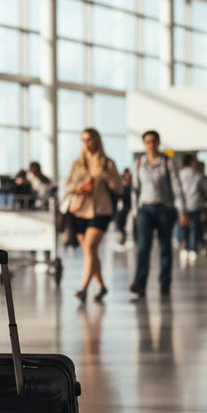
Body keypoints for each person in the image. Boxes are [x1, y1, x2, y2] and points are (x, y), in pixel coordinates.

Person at [64, 127, 122, 303]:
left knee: (89, 248)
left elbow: (119, 188)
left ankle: (83, 289)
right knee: (91, 252)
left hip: (100, 210)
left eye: (89, 139)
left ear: (96, 140)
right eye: (83, 140)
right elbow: (67, 186)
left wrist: (106, 178)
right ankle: (102, 286)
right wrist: (78, 187)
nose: (86, 143)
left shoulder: (107, 163)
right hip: (79, 210)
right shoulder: (77, 164)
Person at [130, 130, 186, 298]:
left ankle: (164, 282)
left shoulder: (167, 162)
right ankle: (140, 283)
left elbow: (177, 188)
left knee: (164, 246)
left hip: (164, 209)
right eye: (147, 141)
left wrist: (182, 211)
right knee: (143, 247)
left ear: (158, 143)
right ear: (144, 144)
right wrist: (134, 211)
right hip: (145, 209)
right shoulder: (139, 163)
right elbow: (134, 189)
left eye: (154, 141)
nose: (151, 144)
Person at [177, 153, 207, 263]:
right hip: (195, 204)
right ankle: (192, 249)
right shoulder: (197, 175)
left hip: (181, 205)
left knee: (182, 226)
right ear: (191, 162)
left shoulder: (179, 174)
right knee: (194, 228)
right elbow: (206, 188)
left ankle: (184, 247)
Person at [114, 168, 132, 246]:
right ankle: (122, 236)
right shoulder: (121, 184)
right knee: (119, 220)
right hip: (123, 207)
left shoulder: (131, 184)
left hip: (130, 206)